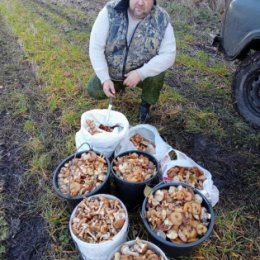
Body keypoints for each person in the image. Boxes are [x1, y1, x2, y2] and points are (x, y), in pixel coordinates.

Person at [87, 0, 176, 123]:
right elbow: (96, 47)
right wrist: (105, 78)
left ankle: (146, 104)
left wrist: (141, 73)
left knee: (157, 73)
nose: (140, 2)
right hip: (114, 71)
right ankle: (118, 85)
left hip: (142, 73)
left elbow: (169, 55)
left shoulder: (161, 19)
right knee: (93, 90)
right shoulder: (110, 11)